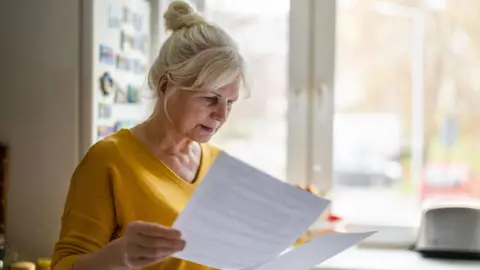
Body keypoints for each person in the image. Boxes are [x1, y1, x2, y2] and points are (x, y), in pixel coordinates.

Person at [51, 1, 247, 269]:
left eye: (230, 102)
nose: (222, 115)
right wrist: (116, 257)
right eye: (211, 98)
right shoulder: (109, 160)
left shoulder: (219, 163)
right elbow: (63, 264)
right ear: (166, 85)